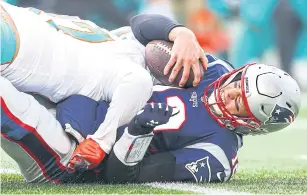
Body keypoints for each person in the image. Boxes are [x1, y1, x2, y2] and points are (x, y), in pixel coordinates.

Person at [0, 1, 206, 171]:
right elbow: (138, 79)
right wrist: (102, 141)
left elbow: (141, 28)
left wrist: (180, 34)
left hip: (16, 25)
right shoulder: (131, 56)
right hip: (19, 47)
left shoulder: (125, 44)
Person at [57, 56, 301, 183]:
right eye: (238, 83)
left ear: (251, 125)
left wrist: (137, 131)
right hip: (88, 91)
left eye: (238, 103)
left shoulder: (217, 154)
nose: (228, 92)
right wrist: (178, 32)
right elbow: (142, 26)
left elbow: (118, 178)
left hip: (77, 148)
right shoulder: (216, 69)